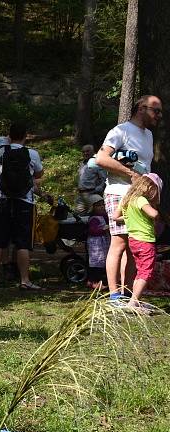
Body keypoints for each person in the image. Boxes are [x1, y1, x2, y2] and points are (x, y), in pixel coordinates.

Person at [95, 95, 162, 299]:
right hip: (118, 192)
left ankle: (129, 295)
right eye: (155, 110)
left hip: (138, 198)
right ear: (141, 109)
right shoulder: (121, 131)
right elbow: (101, 158)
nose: (159, 115)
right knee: (120, 242)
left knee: (134, 245)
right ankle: (114, 295)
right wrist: (131, 174)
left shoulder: (148, 135)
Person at [0, 122, 45, 290]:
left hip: (2, 200)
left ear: (9, 136)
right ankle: (24, 281)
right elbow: (39, 175)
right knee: (23, 243)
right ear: (26, 136)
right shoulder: (32, 154)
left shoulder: (1, 152)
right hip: (24, 202)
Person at [112, 173, 163, 311]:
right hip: (145, 241)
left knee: (140, 271)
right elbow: (154, 214)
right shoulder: (141, 200)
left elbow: (115, 217)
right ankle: (133, 303)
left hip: (133, 241)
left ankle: (135, 300)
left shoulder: (127, 200)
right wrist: (156, 215)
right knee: (146, 272)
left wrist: (130, 217)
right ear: (149, 187)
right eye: (155, 190)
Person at [74, 144, 107, 214]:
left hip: (92, 193)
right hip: (81, 194)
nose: (85, 153)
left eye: (87, 151)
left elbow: (104, 178)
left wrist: (99, 188)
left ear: (93, 151)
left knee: (95, 214)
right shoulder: (82, 163)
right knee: (79, 214)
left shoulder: (97, 162)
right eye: (83, 152)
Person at [86, 195, 110, 290]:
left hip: (102, 243)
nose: (102, 207)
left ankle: (99, 280)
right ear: (92, 208)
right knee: (96, 263)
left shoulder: (103, 216)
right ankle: (93, 281)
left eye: (102, 204)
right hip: (96, 244)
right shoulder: (94, 218)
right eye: (98, 205)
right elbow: (92, 231)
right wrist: (103, 230)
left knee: (102, 261)